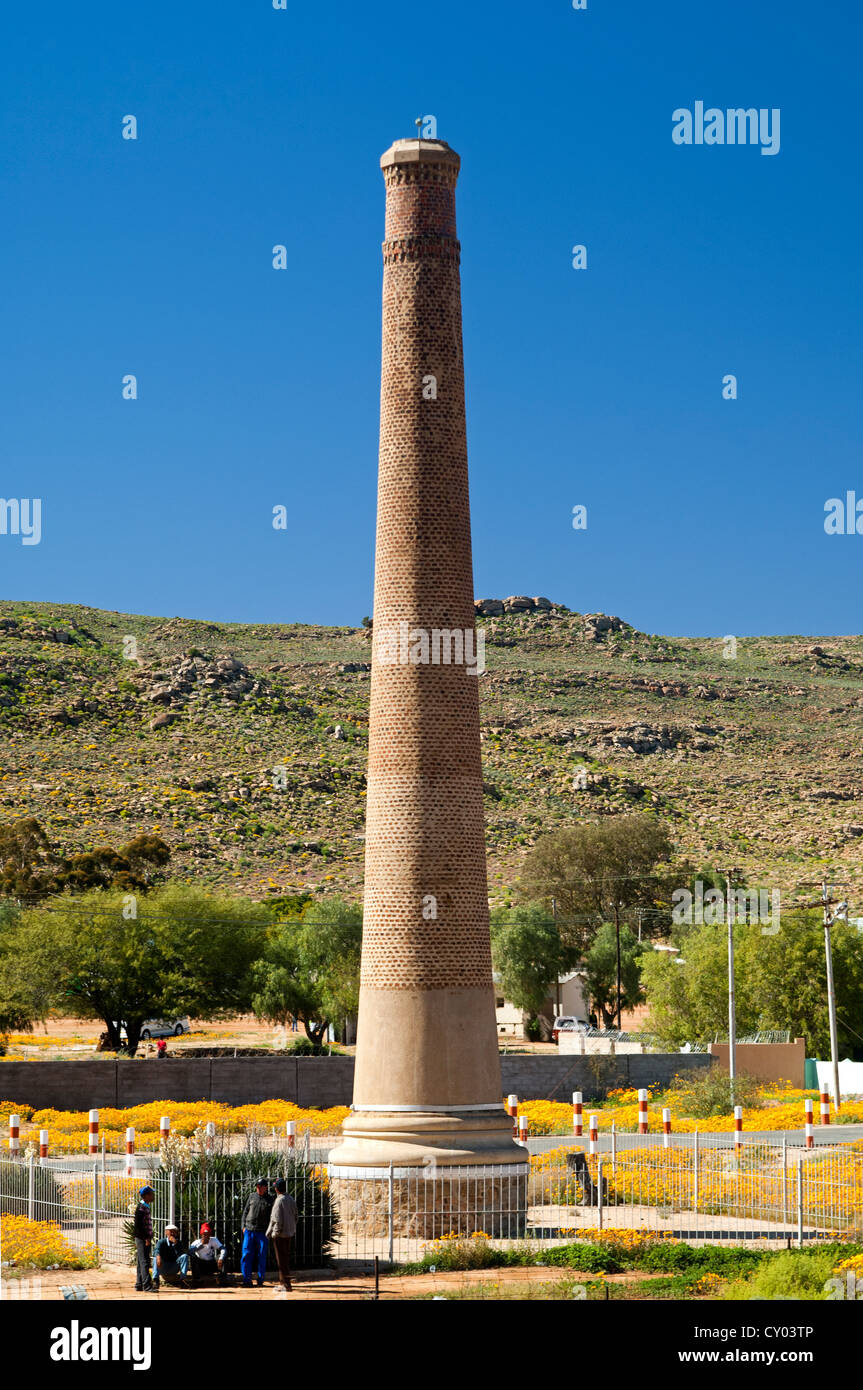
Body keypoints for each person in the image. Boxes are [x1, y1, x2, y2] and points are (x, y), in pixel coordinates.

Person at [240, 1177, 273, 1288]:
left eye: (260, 1186)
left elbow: (273, 1217)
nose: (258, 1188)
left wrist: (269, 1231)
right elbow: (245, 1212)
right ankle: (246, 1279)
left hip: (262, 1232)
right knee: (246, 1255)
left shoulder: (270, 1199)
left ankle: (260, 1280)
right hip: (249, 1230)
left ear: (265, 1187)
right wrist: (243, 1227)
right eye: (257, 1186)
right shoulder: (252, 1196)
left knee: (262, 1256)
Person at [266, 1178, 299, 1292]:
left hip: (280, 1235)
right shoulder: (291, 1199)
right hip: (289, 1233)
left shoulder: (279, 1201)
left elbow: (276, 1219)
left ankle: (285, 1284)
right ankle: (286, 1283)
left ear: (276, 1189)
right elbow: (296, 1216)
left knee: (281, 1261)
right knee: (285, 1259)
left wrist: (275, 1233)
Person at [133, 1185, 156, 1292]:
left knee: (141, 1261)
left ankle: (139, 1284)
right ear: (146, 1196)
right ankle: (147, 1286)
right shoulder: (141, 1208)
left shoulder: (144, 1206)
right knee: (145, 1261)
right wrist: (146, 1237)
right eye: (151, 1194)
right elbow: (139, 1225)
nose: (153, 1196)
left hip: (142, 1238)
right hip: (142, 1238)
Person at [152, 1224, 190, 1288]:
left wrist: (175, 1244)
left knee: (185, 1256)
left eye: (174, 1231)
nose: (172, 1233)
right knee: (156, 1258)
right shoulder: (161, 1242)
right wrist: (158, 1257)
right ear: (166, 1232)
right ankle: (156, 1280)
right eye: (170, 1231)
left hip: (174, 1266)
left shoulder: (178, 1243)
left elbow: (181, 1255)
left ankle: (182, 1280)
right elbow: (156, 1251)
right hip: (163, 1266)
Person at [189, 1222, 227, 1287]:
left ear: (210, 1234)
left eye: (208, 1234)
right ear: (201, 1234)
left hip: (211, 1264)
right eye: (204, 1234)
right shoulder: (196, 1242)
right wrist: (201, 1244)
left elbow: (223, 1249)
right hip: (201, 1265)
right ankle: (196, 1280)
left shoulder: (214, 1240)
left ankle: (222, 1280)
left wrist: (221, 1258)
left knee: (222, 1257)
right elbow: (190, 1252)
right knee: (193, 1257)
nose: (206, 1236)